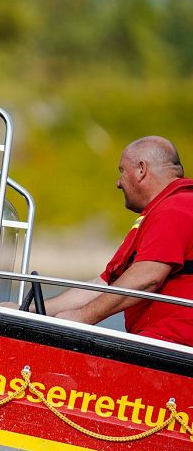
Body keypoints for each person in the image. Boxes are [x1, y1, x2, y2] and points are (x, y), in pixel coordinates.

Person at [41, 136, 193, 345]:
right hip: (154, 345)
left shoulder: (176, 208)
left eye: (122, 171)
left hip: (172, 351)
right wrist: (29, 309)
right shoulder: (156, 215)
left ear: (141, 169)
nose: (118, 183)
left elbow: (146, 279)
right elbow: (103, 285)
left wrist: (81, 318)